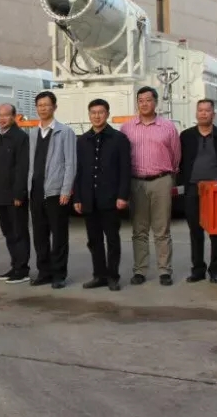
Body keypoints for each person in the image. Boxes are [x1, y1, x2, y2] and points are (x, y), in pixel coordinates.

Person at [120, 86, 181, 286]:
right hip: (136, 182)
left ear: (155, 102)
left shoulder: (168, 127)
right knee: (139, 230)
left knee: (162, 229)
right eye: (141, 100)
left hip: (161, 181)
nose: (144, 104)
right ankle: (140, 270)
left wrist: (169, 177)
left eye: (148, 100)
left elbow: (176, 156)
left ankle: (165, 270)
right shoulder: (127, 128)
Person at [72, 99, 131, 292]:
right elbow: (78, 171)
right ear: (89, 115)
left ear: (107, 114)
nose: (97, 116)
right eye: (93, 112)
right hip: (89, 199)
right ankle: (99, 275)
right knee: (94, 240)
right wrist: (77, 198)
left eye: (101, 112)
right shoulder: (82, 140)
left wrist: (123, 196)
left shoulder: (119, 139)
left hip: (111, 199)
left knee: (112, 239)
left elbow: (125, 170)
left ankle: (113, 276)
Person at [177, 98, 217, 283]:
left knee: (216, 231)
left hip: (216, 190)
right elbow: (181, 162)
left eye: (207, 110)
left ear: (213, 114)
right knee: (195, 230)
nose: (203, 113)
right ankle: (198, 270)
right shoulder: (186, 136)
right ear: (196, 113)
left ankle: (216, 269)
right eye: (200, 110)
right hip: (193, 188)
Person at [27, 91, 77, 290]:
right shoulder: (33, 133)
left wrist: (66, 190)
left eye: (47, 105)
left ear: (54, 107)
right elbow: (31, 163)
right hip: (36, 191)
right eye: (40, 105)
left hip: (56, 192)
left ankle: (59, 274)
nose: (43, 108)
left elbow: (70, 163)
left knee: (59, 235)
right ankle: (44, 272)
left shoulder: (65, 132)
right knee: (39, 235)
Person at [0, 103, 30, 284]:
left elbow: (22, 167)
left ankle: (22, 270)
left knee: (19, 232)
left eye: (6, 115)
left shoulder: (20, 137)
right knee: (8, 233)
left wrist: (19, 194)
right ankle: (15, 266)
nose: (2, 119)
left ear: (14, 117)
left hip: (14, 196)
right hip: (0, 194)